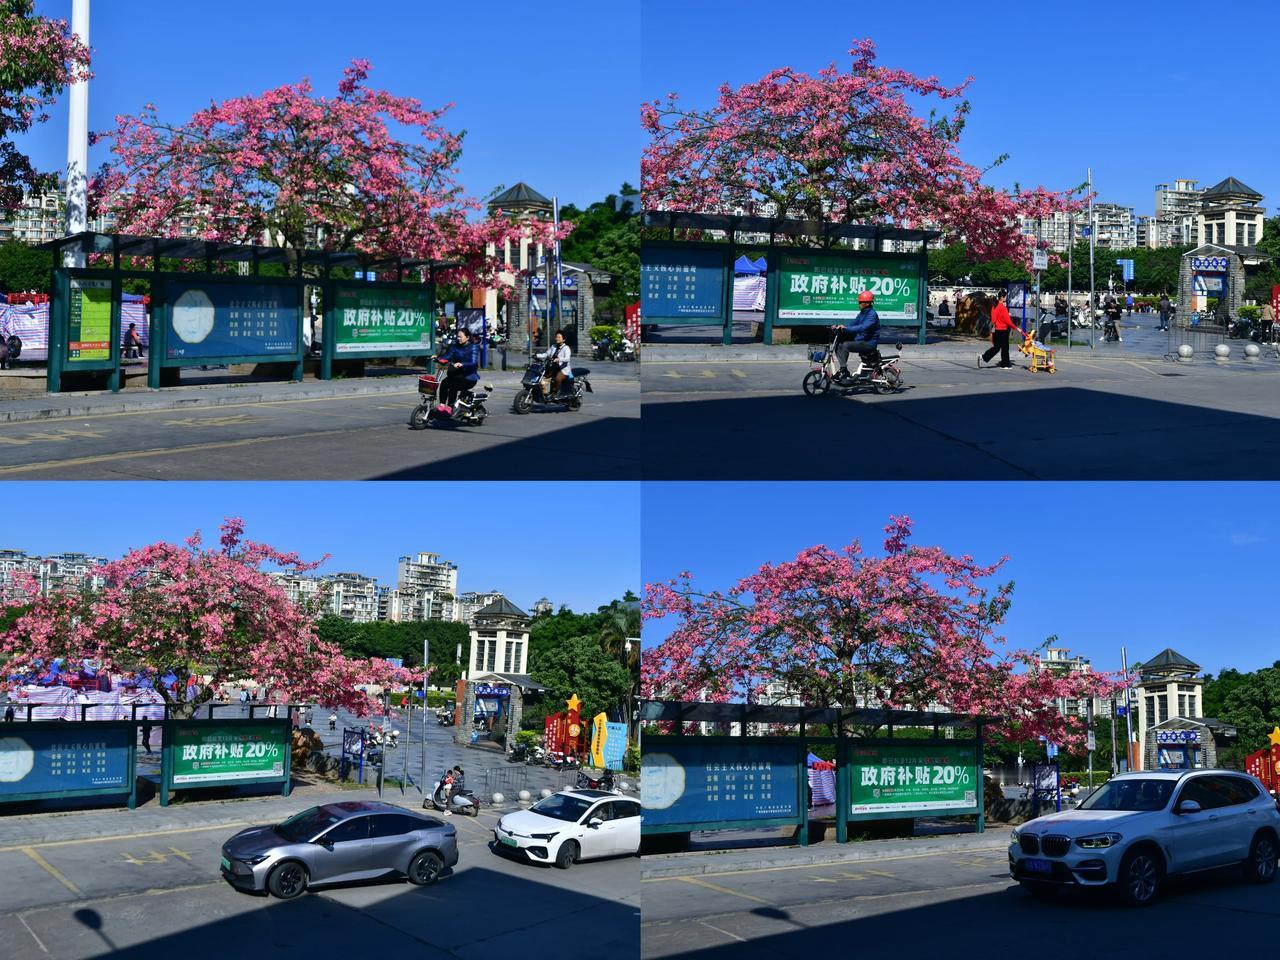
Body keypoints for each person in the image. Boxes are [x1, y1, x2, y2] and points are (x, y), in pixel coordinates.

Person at [831, 290, 881, 381]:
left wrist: (846, 329)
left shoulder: (872, 315)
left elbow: (862, 327)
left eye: (860, 302)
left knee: (846, 345)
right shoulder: (862, 313)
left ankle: (843, 370)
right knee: (839, 343)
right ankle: (844, 369)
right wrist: (841, 327)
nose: (859, 304)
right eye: (859, 302)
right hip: (861, 340)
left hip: (868, 343)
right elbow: (853, 324)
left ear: (867, 303)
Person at [436, 327, 479, 411]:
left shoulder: (473, 347)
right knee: (444, 383)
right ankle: (442, 405)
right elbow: (448, 356)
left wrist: (462, 364)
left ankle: (450, 407)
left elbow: (473, 362)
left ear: (467, 337)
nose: (458, 338)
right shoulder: (455, 346)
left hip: (469, 377)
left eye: (460, 337)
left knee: (452, 385)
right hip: (457, 374)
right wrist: (438, 358)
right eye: (458, 336)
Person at [979, 289, 1024, 368]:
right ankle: (1005, 364)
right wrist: (1017, 328)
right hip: (1003, 330)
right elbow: (1008, 322)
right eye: (1006, 296)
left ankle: (983, 357)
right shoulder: (1003, 308)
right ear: (1002, 297)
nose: (1006, 298)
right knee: (1005, 348)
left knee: (996, 348)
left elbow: (993, 320)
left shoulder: (994, 307)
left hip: (996, 330)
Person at [539, 329, 574, 397]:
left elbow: (567, 359)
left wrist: (559, 359)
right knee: (541, 378)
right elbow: (546, 354)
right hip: (553, 368)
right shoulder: (553, 346)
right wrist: (537, 355)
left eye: (559, 337)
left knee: (557, 378)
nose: (557, 339)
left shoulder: (566, 348)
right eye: (556, 337)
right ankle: (546, 393)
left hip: (563, 370)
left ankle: (555, 393)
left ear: (563, 339)